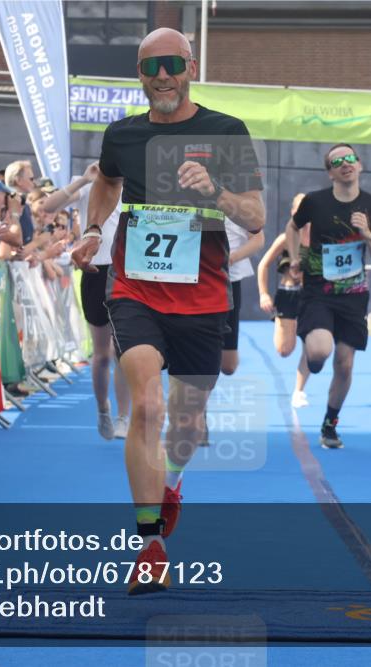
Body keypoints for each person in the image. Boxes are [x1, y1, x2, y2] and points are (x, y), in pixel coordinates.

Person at [72, 28, 264, 595]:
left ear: (190, 68)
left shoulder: (226, 131)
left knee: (186, 422)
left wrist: (215, 193)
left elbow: (255, 217)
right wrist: (92, 229)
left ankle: (172, 483)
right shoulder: (122, 134)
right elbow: (106, 183)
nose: (162, 76)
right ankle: (150, 544)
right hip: (136, 289)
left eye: (172, 65)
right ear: (139, 73)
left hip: (203, 295)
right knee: (148, 406)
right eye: (151, 66)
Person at [286, 143, 371, 449]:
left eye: (350, 158)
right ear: (330, 173)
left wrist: (367, 234)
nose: (345, 164)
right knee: (320, 352)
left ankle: (330, 424)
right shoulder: (314, 202)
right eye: (337, 161)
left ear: (359, 165)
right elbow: (292, 227)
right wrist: (294, 257)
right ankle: (313, 358)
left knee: (344, 363)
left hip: (353, 295)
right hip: (318, 290)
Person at [44, 162, 131, 440]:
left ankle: (124, 417)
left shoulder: (134, 185)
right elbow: (48, 206)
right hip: (94, 271)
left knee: (123, 351)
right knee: (102, 353)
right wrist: (83, 180)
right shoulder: (91, 183)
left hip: (125, 273)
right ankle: (103, 407)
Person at [257, 193, 311, 408]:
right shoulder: (285, 238)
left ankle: (299, 391)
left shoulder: (322, 237)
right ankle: (285, 325)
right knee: (284, 350)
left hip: (312, 296)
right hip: (288, 293)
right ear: (293, 212)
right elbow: (263, 265)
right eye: (300, 209)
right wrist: (264, 293)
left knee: (312, 345)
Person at [221, 219, 265, 375]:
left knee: (228, 366)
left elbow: (258, 239)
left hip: (229, 281)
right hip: (195, 282)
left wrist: (232, 257)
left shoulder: (239, 209)